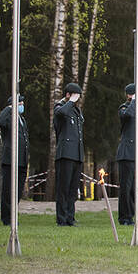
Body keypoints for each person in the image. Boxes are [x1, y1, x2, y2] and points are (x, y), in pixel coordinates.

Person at [54, 83, 85, 226]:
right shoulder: (60, 107)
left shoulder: (76, 111)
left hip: (76, 154)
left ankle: (70, 217)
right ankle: (61, 218)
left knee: (72, 189)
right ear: (68, 95)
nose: (77, 99)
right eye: (75, 96)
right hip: (65, 154)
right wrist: (70, 101)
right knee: (63, 188)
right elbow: (60, 114)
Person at [116, 83, 138, 226]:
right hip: (127, 154)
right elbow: (127, 115)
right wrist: (133, 101)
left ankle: (131, 216)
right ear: (130, 95)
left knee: (134, 188)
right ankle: (124, 217)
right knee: (126, 187)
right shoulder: (124, 108)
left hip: (137, 155)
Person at [0, 94, 29, 226]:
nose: (22, 106)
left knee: (18, 191)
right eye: (19, 104)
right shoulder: (8, 118)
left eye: (22, 104)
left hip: (22, 160)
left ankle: (13, 215)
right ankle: (7, 218)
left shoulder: (21, 119)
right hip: (10, 159)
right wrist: (9, 108)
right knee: (8, 190)